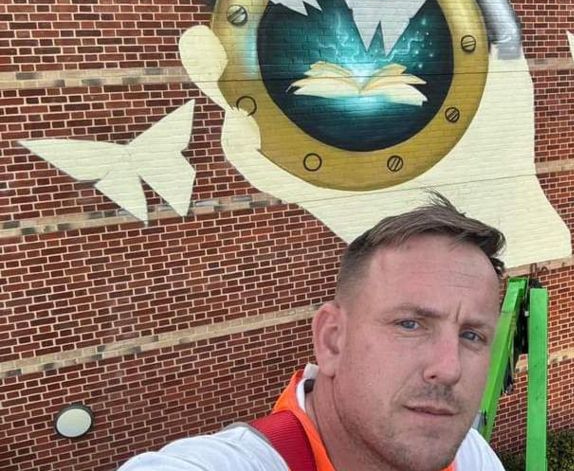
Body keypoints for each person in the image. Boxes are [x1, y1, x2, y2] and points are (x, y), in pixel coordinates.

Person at [120, 194, 507, 471]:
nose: (449, 367)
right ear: (332, 340)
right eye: (410, 324)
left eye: (471, 335)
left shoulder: (468, 454)